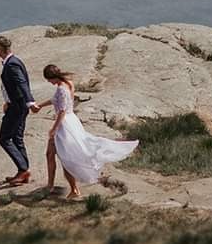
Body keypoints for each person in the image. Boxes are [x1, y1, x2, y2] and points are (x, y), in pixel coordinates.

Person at [34, 64, 139, 199]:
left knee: (66, 158)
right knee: (51, 154)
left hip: (64, 126)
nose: (49, 82)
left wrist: (54, 129)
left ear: (53, 77)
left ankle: (71, 189)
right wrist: (40, 106)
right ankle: (52, 185)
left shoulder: (61, 89)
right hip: (72, 121)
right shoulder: (68, 83)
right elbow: (57, 101)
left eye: (49, 79)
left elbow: (62, 111)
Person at [0, 36, 37, 186]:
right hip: (17, 105)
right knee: (17, 138)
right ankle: (23, 172)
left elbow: (22, 83)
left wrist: (30, 101)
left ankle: (23, 170)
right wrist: (8, 101)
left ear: (0, 49)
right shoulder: (15, 61)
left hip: (17, 107)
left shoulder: (12, 65)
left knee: (4, 138)